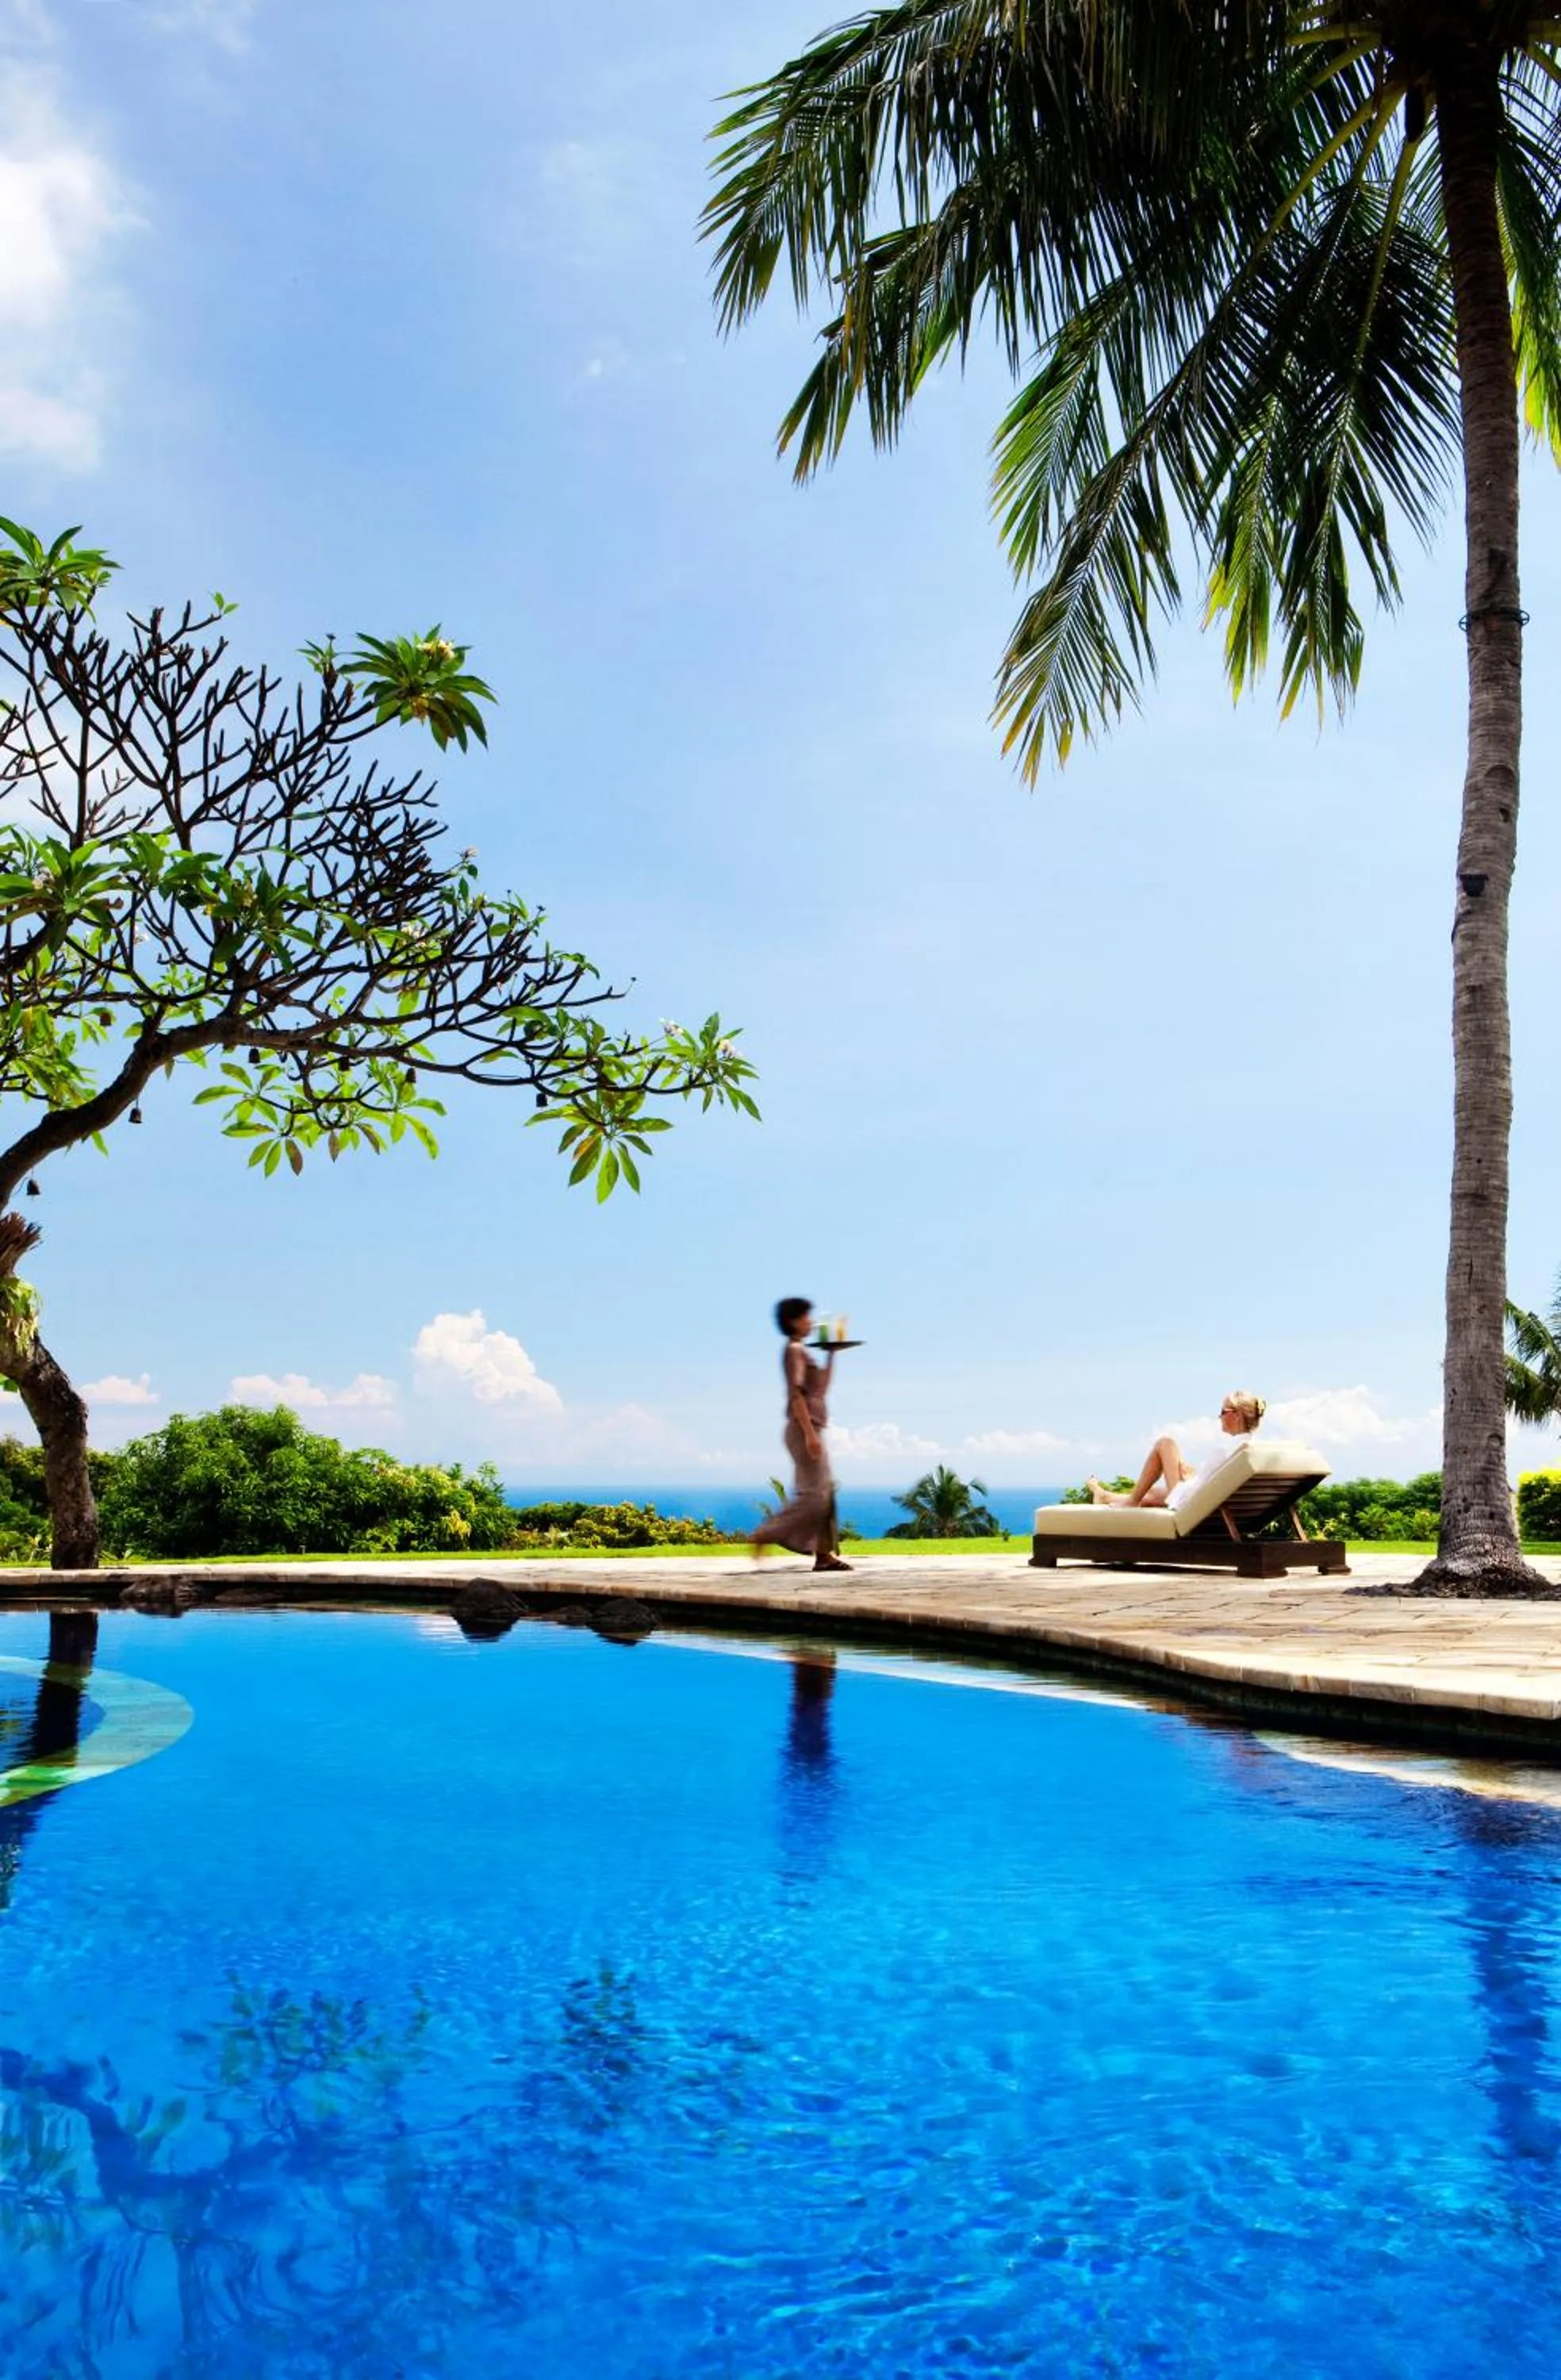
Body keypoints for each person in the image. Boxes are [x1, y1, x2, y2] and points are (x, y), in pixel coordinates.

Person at [750, 1297, 853, 1572]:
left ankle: (823, 1555)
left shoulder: (803, 1352)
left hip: (812, 1427)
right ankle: (766, 1533)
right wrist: (809, 1434)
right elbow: (796, 1394)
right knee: (814, 1496)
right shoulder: (794, 1350)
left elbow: (820, 1389)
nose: (811, 1322)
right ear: (794, 1320)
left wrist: (831, 1353)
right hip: (803, 1428)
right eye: (807, 1317)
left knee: (823, 1493)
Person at [1086, 1391, 1267, 1508]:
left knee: (1165, 1444)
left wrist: (1188, 1477)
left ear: (1235, 1415)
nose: (1219, 1416)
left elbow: (1209, 1482)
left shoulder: (1226, 1449)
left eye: (1223, 1411)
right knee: (1151, 1494)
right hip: (1213, 1502)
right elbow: (1216, 1480)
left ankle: (1131, 1501)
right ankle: (1103, 1496)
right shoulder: (1253, 1448)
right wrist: (1191, 1476)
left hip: (1193, 1503)